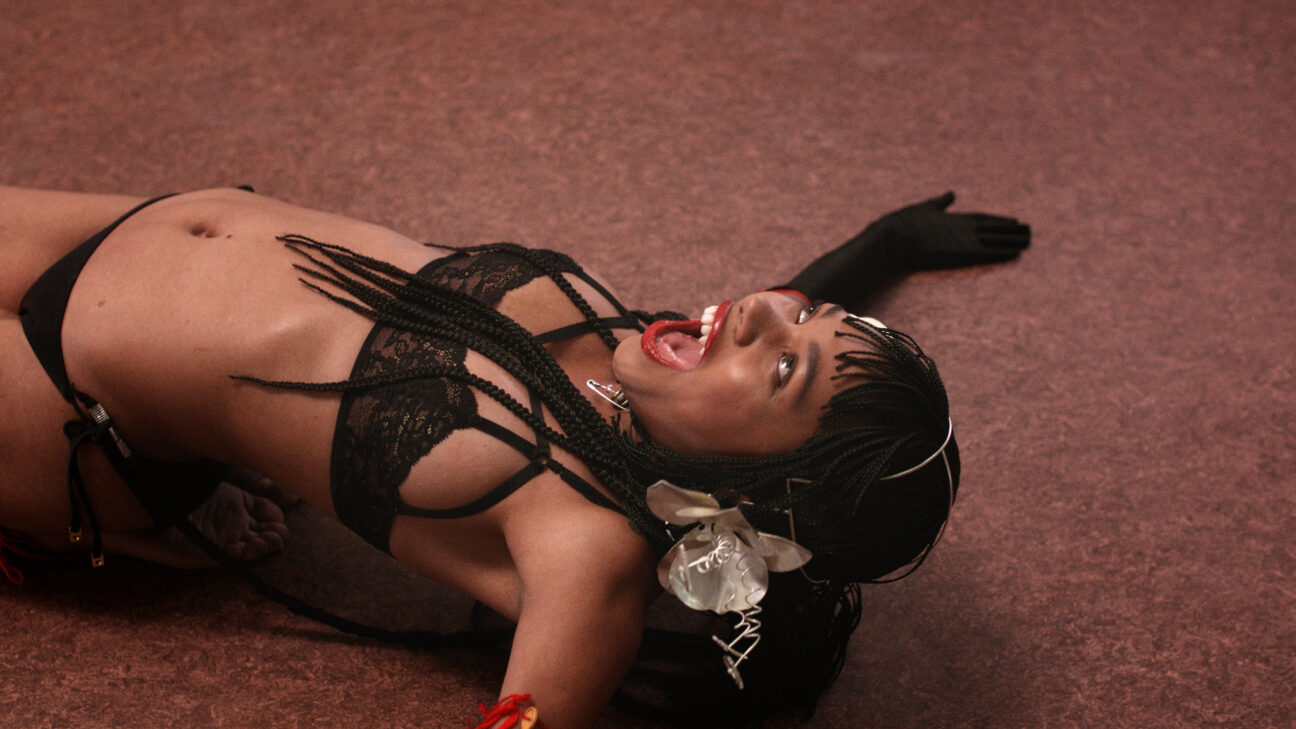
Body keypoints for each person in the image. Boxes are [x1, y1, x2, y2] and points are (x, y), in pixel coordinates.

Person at [0, 185, 1028, 729]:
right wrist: (886, 245)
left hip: (72, 399)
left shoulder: (589, 556)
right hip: (135, 224)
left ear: (754, 495)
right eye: (805, 318)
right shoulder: (668, 367)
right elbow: (787, 339)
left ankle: (167, 520)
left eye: (784, 364)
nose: (759, 309)